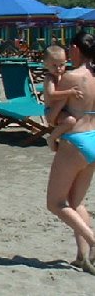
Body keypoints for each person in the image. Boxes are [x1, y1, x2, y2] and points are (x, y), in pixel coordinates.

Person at [47, 31, 95, 274]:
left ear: (76, 49)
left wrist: (54, 131)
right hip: (94, 139)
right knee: (77, 202)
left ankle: (93, 241)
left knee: (56, 203)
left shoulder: (70, 78)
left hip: (74, 140)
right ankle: (82, 257)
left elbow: (50, 114)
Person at [43, 45, 82, 152]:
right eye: (54, 65)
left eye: (62, 65)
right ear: (46, 64)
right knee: (70, 121)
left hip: (61, 110)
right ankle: (51, 138)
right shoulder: (49, 78)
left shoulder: (62, 76)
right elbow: (51, 94)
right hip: (51, 111)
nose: (58, 68)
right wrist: (70, 92)